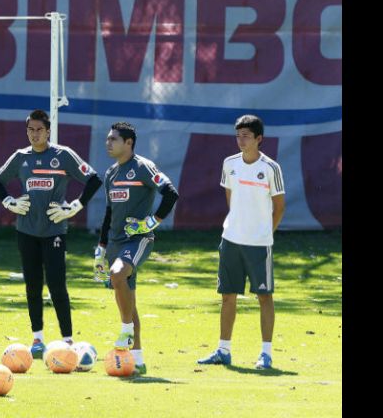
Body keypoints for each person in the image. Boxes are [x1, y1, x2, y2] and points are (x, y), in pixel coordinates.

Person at [0, 109, 102, 358]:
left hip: (54, 231)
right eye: (30, 129)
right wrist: (9, 202)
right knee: (32, 285)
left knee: (56, 284)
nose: (35, 134)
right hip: (26, 231)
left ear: (48, 131)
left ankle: (68, 340)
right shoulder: (20, 157)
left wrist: (75, 206)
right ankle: (38, 339)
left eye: (39, 129)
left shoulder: (63, 155)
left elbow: (94, 179)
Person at [197, 114, 285, 370]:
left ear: (259, 138)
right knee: (227, 296)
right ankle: (223, 350)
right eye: (238, 135)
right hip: (231, 240)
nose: (241, 140)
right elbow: (231, 198)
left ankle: (266, 354)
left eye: (246, 136)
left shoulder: (271, 168)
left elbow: (279, 207)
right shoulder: (229, 163)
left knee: (264, 297)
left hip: (259, 244)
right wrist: (238, 225)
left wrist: (265, 232)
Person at [93, 121, 179, 375]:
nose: (108, 143)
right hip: (115, 242)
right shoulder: (111, 173)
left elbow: (171, 193)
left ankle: (126, 330)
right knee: (128, 299)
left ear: (128, 143)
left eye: (114, 139)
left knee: (117, 274)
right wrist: (101, 248)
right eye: (108, 138)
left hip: (138, 240)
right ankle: (138, 359)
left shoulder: (143, 167)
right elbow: (109, 212)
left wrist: (151, 222)